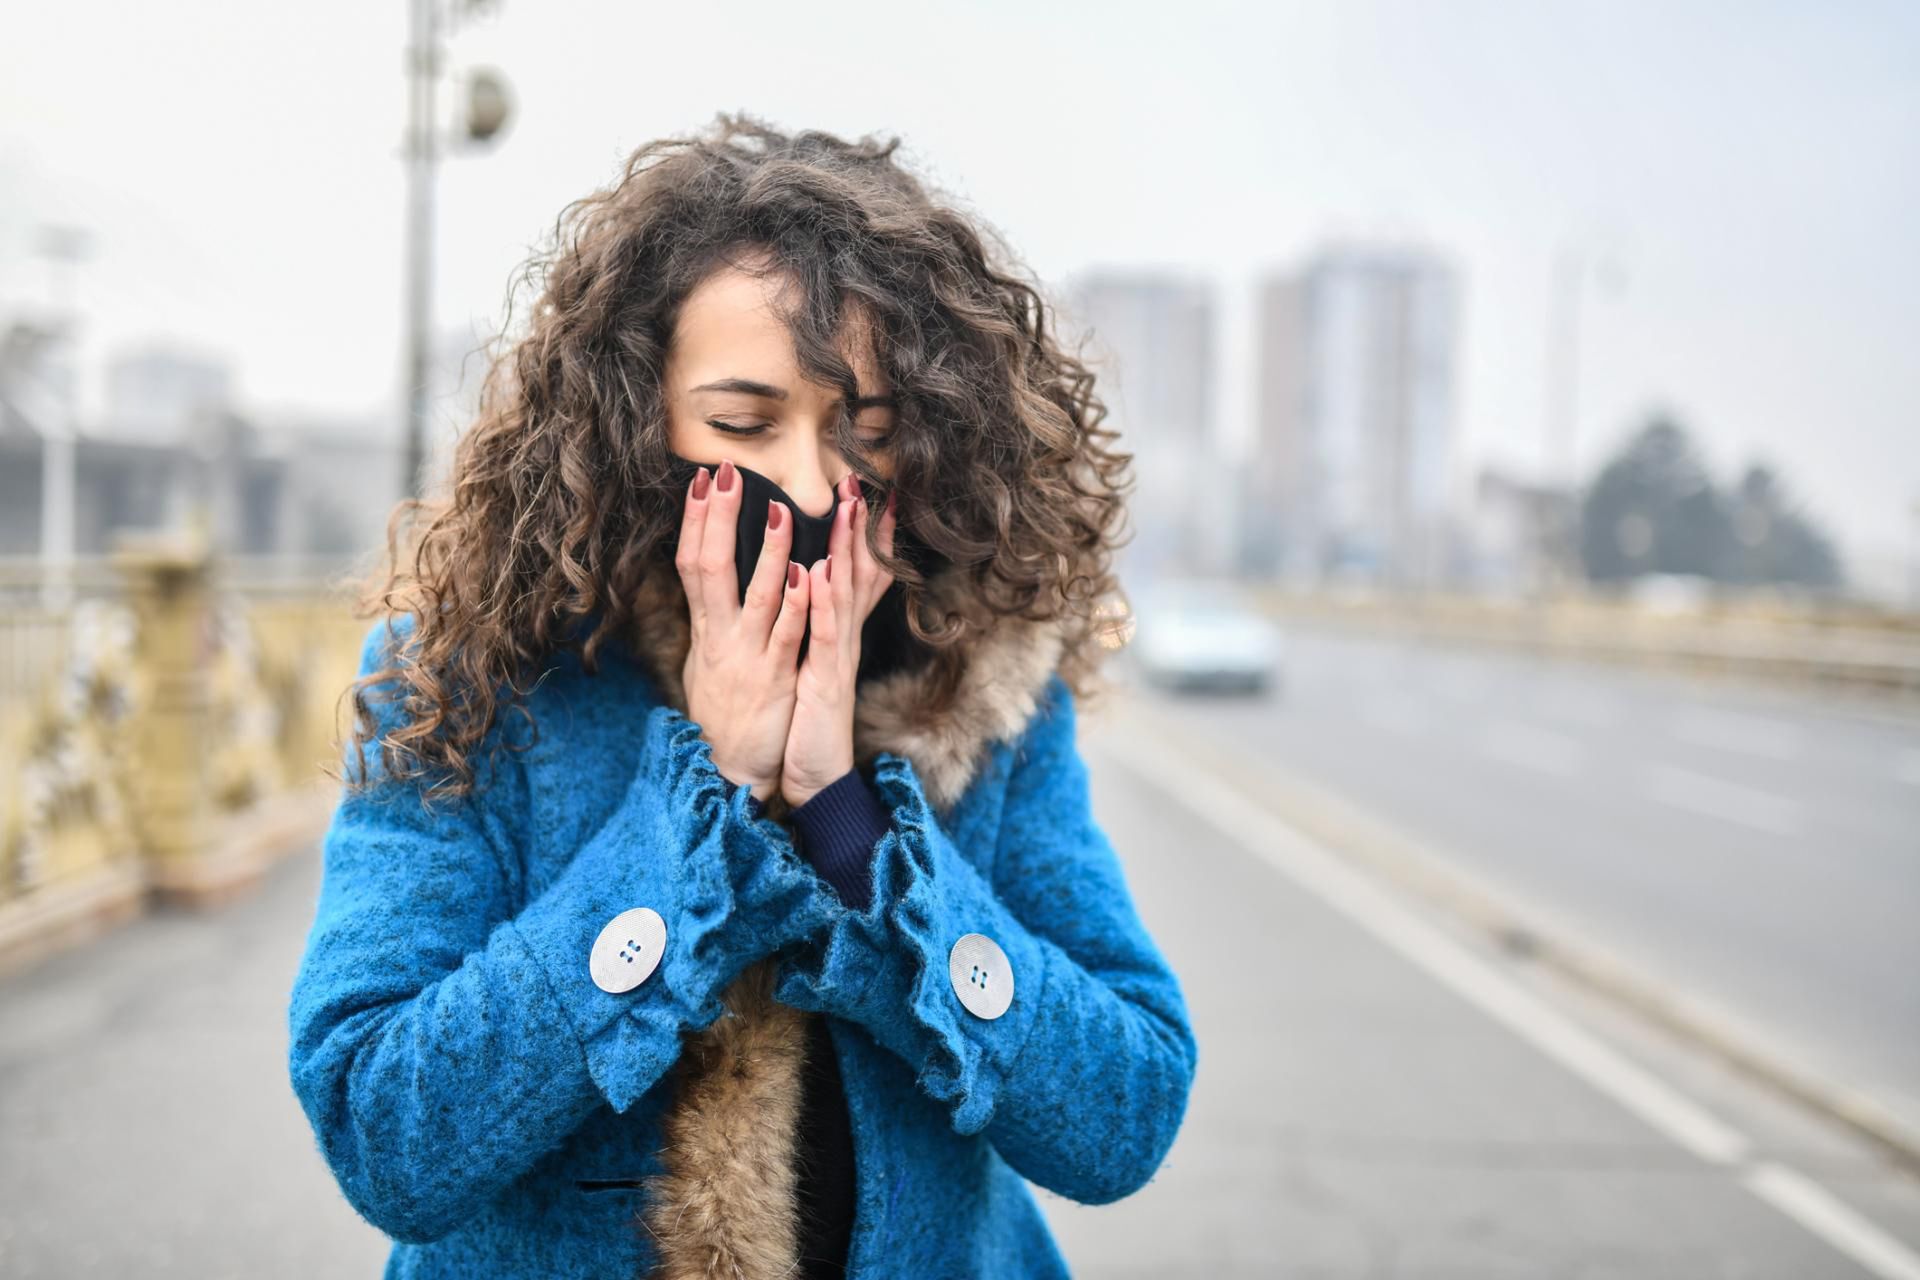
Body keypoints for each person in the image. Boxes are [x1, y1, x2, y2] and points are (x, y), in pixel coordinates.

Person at [286, 112, 1196, 1280]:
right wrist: (696, 805)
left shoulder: (982, 686)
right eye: (742, 422)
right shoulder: (468, 675)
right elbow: (388, 1140)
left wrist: (847, 824)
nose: (811, 481)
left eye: (865, 431)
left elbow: (1126, 1114)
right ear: (633, 422)